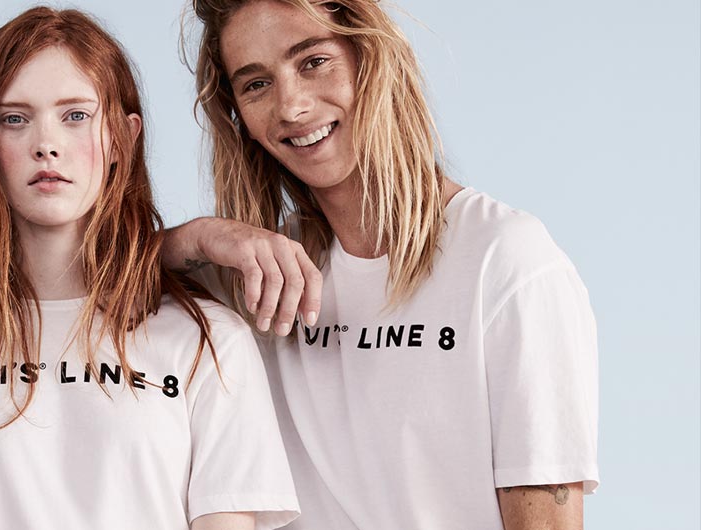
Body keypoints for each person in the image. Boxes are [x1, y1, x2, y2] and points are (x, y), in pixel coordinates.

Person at [0, 7, 299, 530]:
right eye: (14, 119)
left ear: (122, 138)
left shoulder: (209, 344)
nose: (46, 144)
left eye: (75, 116)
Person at [164, 0, 599, 528]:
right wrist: (203, 235)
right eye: (256, 84)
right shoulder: (258, 277)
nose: (291, 106)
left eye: (313, 61)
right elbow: (94, 278)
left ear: (368, 55)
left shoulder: (504, 260)